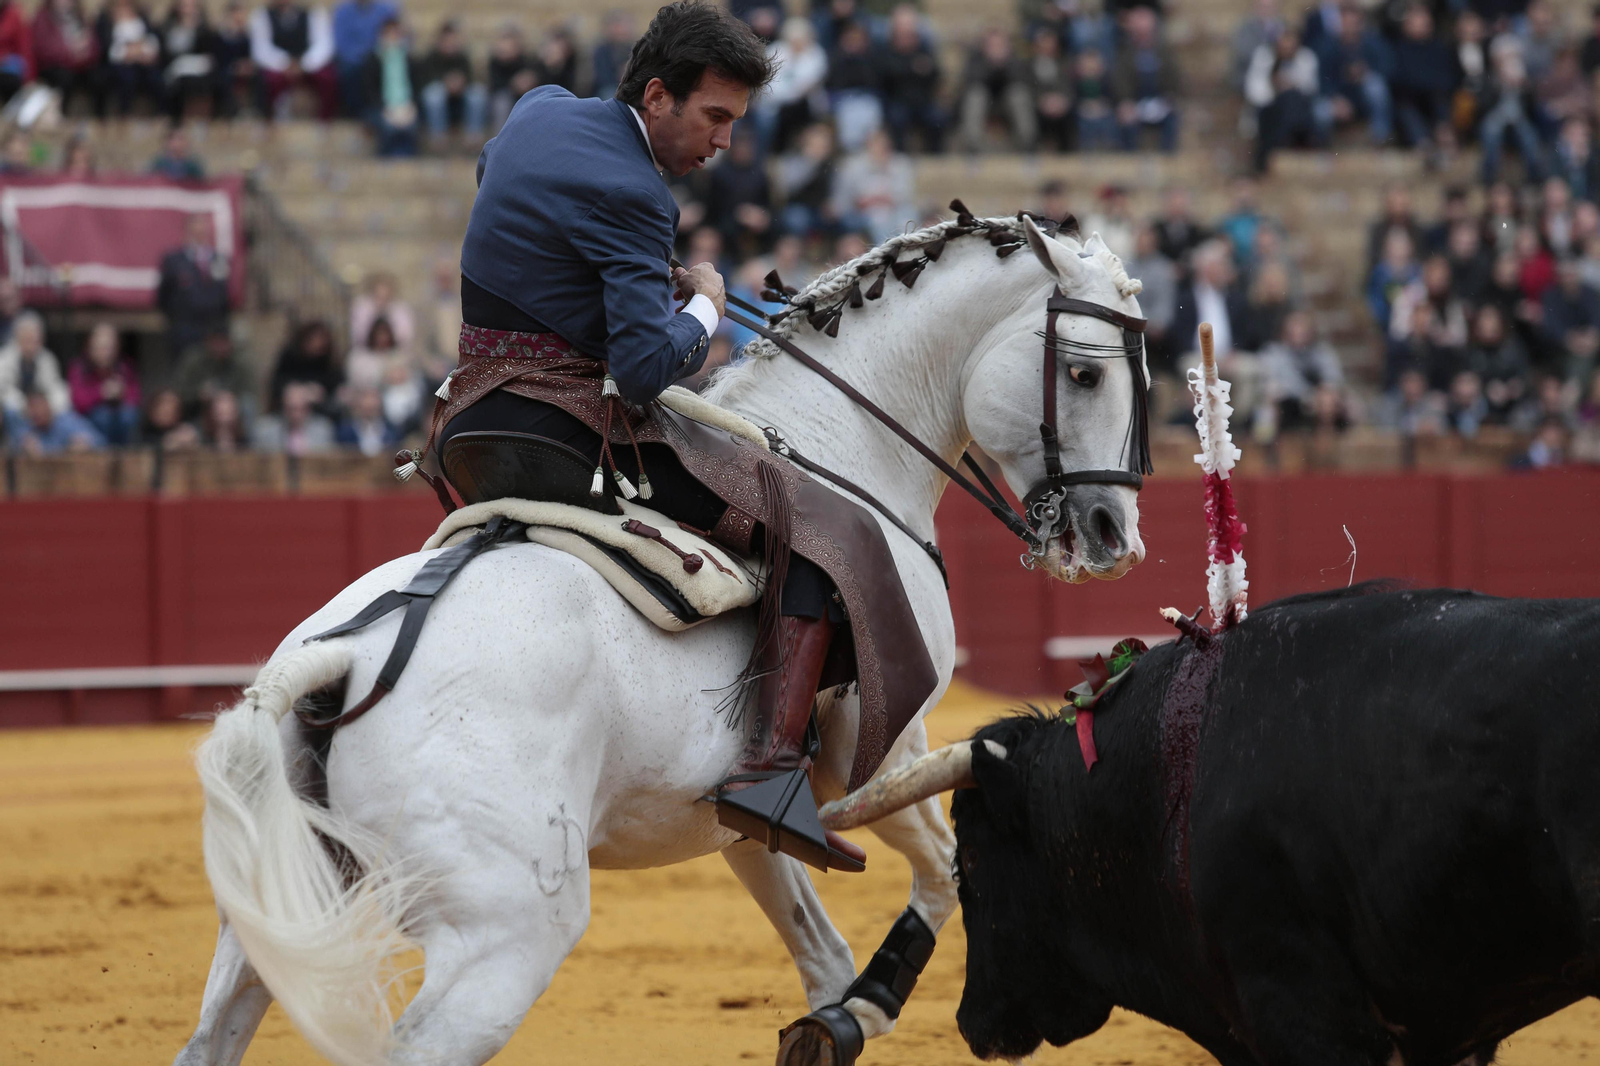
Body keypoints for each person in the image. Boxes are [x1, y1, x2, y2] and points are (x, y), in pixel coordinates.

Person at [441, 2, 860, 872]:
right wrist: (704, 297)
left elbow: (495, 173)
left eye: (736, 124)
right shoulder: (637, 196)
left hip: (465, 422)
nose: (724, 143)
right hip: (562, 435)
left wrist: (582, 265)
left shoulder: (541, 107)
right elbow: (640, 372)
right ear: (659, 96)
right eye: (715, 118)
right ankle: (774, 771)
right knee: (810, 526)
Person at [157, 213, 231, 358]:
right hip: (184, 331)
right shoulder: (174, 260)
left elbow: (223, 294)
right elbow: (163, 296)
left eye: (202, 229)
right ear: (188, 231)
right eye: (195, 229)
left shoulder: (218, 259)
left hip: (211, 332)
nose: (199, 233)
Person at [250, 0, 336, 120]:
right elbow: (261, 49)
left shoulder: (312, 12)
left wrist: (304, 63)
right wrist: (286, 63)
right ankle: (270, 122)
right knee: (269, 81)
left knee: (327, 78)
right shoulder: (262, 15)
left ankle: (325, 121)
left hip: (308, 63)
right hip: (278, 65)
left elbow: (324, 44)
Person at [1112, 5, 1179, 152]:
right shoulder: (1125, 54)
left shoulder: (1164, 53)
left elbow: (1175, 79)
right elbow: (1119, 81)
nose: (1144, 36)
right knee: (1126, 122)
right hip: (1135, 102)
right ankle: (1129, 161)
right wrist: (1125, 101)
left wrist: (1169, 98)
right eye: (1140, 33)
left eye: (1147, 32)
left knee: (1173, 118)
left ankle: (1168, 160)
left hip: (1160, 102)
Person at [67, 322, 141, 445]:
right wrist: (101, 392)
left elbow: (136, 398)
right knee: (102, 417)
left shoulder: (124, 367)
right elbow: (78, 402)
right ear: (90, 347)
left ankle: (124, 455)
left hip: (119, 417)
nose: (105, 353)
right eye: (100, 348)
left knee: (129, 415)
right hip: (87, 421)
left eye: (109, 348)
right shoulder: (79, 368)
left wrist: (121, 393)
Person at [361, 16, 420, 157]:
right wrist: (387, 110)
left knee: (411, 127)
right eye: (389, 33)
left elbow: (418, 86)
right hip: (381, 108)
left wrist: (410, 107)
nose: (393, 38)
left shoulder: (410, 59)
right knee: (388, 128)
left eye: (396, 34)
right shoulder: (372, 60)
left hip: (407, 108)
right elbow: (368, 91)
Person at [419, 19, 486, 142]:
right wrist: (446, 83)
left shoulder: (462, 57)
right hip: (441, 97)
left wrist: (460, 83)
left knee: (478, 94)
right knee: (433, 95)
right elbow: (425, 80)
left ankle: (474, 136)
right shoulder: (431, 57)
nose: (450, 43)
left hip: (460, 97)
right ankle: (438, 137)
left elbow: (470, 78)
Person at [32, 0, 100, 116]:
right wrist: (71, 54)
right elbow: (44, 49)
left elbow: (95, 46)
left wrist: (86, 53)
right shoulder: (43, 17)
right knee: (65, 77)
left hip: (81, 64)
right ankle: (62, 117)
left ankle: (101, 120)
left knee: (99, 76)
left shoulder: (80, 16)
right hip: (54, 66)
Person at [331, 0, 396, 117]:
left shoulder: (385, 10)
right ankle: (354, 112)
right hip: (352, 60)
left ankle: (381, 109)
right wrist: (362, 57)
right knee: (350, 71)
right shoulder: (343, 11)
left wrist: (374, 56)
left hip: (378, 57)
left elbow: (391, 35)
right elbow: (341, 44)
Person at [98, 0, 162, 115]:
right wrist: (128, 53)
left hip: (143, 61)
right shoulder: (106, 20)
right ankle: (124, 115)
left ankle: (161, 115)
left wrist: (140, 53)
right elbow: (107, 48)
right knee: (127, 78)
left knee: (155, 77)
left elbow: (152, 41)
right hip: (119, 64)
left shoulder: (142, 18)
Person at [0, 311, 68, 417]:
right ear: (17, 337)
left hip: (44, 413)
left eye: (35, 339)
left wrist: (50, 407)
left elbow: (56, 388)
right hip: (15, 411)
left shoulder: (47, 359)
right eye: (27, 338)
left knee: (69, 418)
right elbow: (3, 391)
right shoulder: (4, 358)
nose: (31, 344)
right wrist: (27, 406)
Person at [268, 319, 342, 414]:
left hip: (321, 411)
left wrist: (321, 392)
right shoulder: (290, 356)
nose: (317, 344)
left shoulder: (328, 360)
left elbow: (336, 383)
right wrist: (301, 390)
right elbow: (277, 382)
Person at [10, 390, 102, 454]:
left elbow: (100, 441)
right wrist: (24, 447)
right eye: (33, 408)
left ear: (49, 406)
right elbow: (13, 446)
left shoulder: (67, 421)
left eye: (40, 406)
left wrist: (86, 442)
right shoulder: (26, 429)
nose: (38, 412)